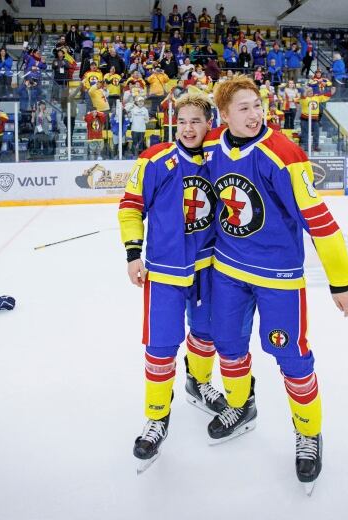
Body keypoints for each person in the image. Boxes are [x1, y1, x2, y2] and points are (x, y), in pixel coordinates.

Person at [202, 76, 348, 492]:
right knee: (229, 346)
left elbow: (320, 222)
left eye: (257, 105)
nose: (255, 115)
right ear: (224, 116)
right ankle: (240, 405)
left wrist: (340, 281)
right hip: (228, 271)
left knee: (292, 357)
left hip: (279, 279)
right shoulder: (213, 144)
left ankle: (308, 434)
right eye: (243, 109)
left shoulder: (284, 154)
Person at [118, 92, 224, 472]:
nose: (188, 128)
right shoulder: (154, 159)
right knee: (161, 346)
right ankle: (157, 416)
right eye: (182, 121)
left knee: (205, 335)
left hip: (209, 268)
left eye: (197, 120)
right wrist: (133, 253)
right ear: (173, 124)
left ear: (209, 123)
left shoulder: (220, 158)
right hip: (163, 272)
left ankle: (199, 382)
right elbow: (130, 207)